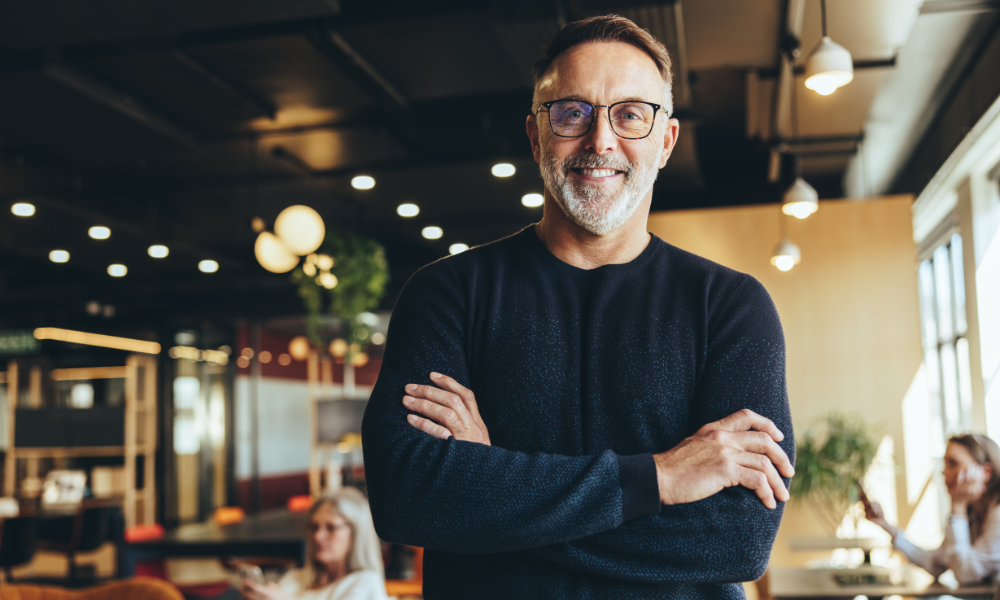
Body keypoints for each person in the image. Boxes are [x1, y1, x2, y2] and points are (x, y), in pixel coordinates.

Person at [361, 14, 795, 600]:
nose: (601, 142)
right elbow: (407, 497)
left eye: (631, 114)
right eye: (572, 112)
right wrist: (660, 478)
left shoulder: (731, 306)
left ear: (665, 142)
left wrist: (492, 491)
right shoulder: (446, 294)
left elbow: (736, 541)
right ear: (536, 135)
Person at [863, 434, 1000, 585]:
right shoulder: (973, 515)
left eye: (953, 463)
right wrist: (886, 526)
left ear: (986, 472)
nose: (944, 472)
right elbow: (936, 563)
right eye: (945, 463)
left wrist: (958, 506)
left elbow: (965, 573)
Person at [240, 488, 389, 600]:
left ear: (357, 533)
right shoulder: (296, 577)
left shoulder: (365, 583)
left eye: (330, 528)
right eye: (314, 527)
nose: (318, 536)